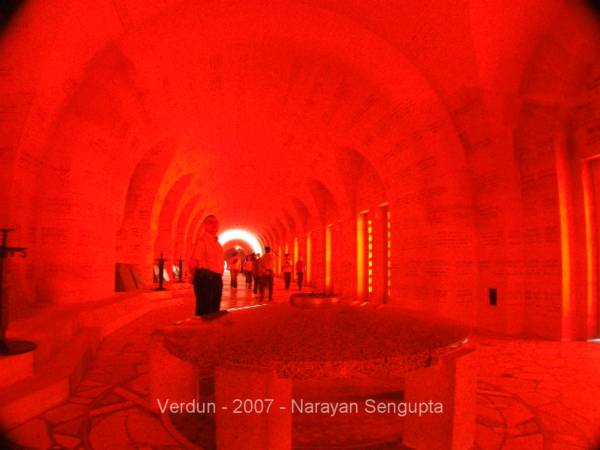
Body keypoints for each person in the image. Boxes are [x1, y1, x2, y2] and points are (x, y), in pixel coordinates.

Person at [188, 215, 224, 316]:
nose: (214, 224)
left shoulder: (217, 244)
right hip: (205, 279)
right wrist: (193, 276)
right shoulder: (202, 241)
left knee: (214, 311)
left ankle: (211, 331)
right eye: (211, 222)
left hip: (216, 280)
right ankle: (202, 332)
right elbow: (194, 262)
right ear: (204, 225)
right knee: (204, 312)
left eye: (216, 222)